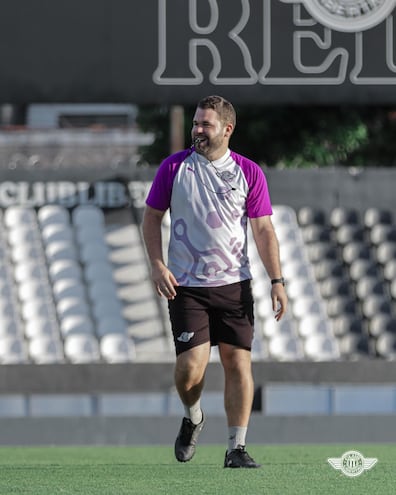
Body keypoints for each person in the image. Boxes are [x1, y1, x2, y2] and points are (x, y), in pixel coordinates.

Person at [142, 95, 287, 468]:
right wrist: (158, 264)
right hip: (187, 287)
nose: (197, 131)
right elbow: (152, 218)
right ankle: (193, 418)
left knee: (239, 364)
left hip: (234, 285)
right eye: (195, 123)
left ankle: (236, 448)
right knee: (191, 367)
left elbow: (264, 229)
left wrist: (277, 279)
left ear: (227, 129)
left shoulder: (249, 172)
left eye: (205, 124)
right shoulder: (174, 169)